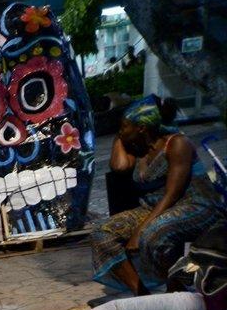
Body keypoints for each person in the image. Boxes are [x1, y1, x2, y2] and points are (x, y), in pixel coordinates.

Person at [90, 95, 226, 295]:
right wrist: (121, 136)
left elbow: (173, 194)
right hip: (153, 209)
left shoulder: (177, 143)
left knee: (152, 235)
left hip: (196, 204)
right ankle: (141, 292)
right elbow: (119, 167)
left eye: (124, 126)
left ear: (141, 128)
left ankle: (176, 288)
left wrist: (139, 232)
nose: (120, 131)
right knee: (102, 232)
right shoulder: (138, 148)